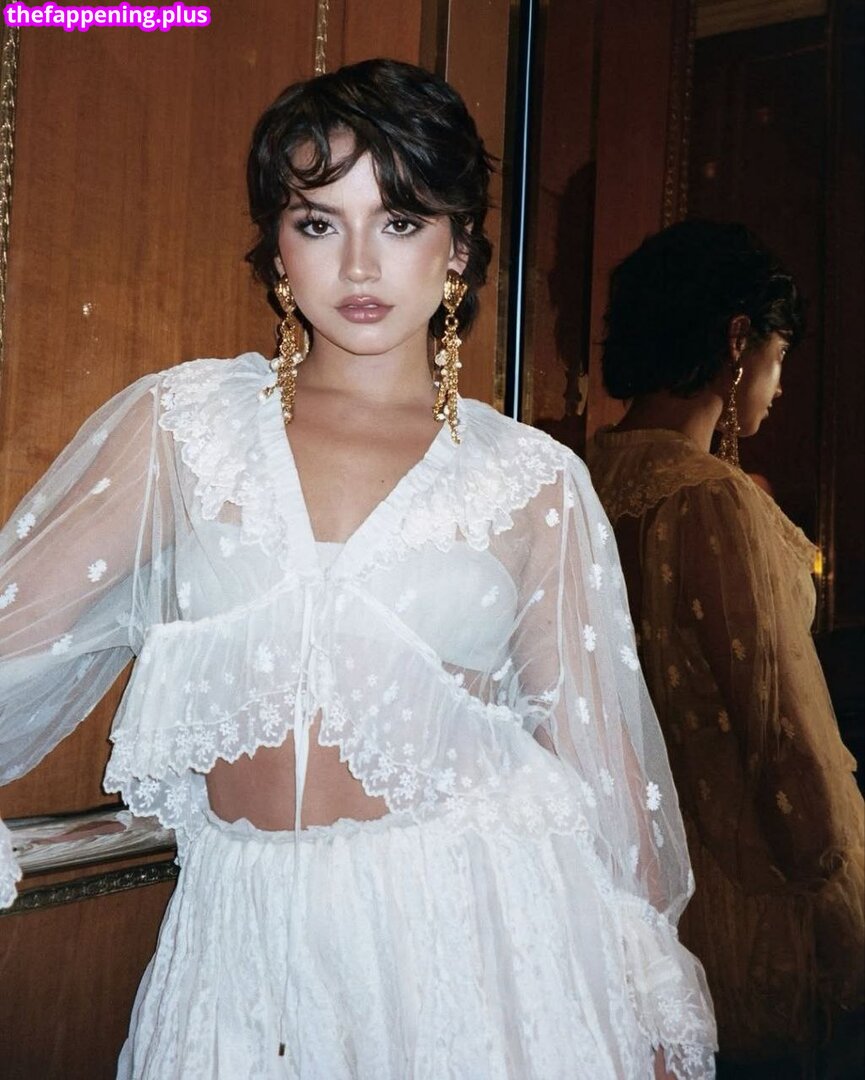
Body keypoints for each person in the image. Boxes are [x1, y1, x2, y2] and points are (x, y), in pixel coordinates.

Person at [0, 60, 716, 1078]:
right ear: (278, 248)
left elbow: (597, 760)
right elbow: (13, 630)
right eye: (319, 221)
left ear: (457, 246)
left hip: (486, 944)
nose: (360, 264)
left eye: (400, 220)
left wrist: (650, 1008)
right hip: (239, 949)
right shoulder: (184, 427)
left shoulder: (533, 480)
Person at [588, 220, 864, 1075]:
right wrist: (835, 880)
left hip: (621, 881)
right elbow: (779, 726)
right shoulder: (707, 496)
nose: (779, 387)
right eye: (778, 358)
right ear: (737, 342)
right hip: (738, 890)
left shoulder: (584, 475)